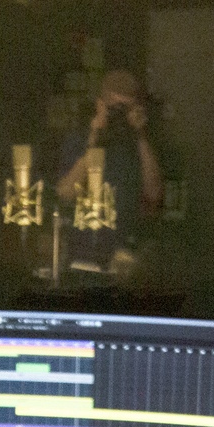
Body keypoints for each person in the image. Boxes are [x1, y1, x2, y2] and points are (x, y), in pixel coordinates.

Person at [55, 69, 166, 274]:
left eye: (125, 108)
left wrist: (141, 134)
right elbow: (65, 193)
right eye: (114, 108)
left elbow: (154, 195)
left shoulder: (141, 145)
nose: (119, 114)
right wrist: (94, 139)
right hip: (82, 254)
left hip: (125, 259)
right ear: (100, 105)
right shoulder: (79, 140)